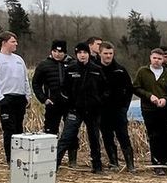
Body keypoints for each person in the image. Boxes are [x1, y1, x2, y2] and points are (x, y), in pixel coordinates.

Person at [133, 46, 167, 174]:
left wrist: (166, 99)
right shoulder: (143, 72)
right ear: (150, 58)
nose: (157, 61)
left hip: (164, 109)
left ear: (163, 59)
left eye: (159, 58)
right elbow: (136, 88)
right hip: (148, 109)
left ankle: (165, 161)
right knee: (153, 135)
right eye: (154, 58)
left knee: (165, 135)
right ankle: (156, 162)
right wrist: (149, 96)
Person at [0, 32, 29, 164]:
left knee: (19, 129)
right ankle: (11, 159)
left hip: (19, 97)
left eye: (15, 42)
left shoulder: (19, 59)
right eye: (13, 41)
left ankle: (20, 157)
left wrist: (28, 96)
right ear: (4, 43)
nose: (16, 44)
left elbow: (25, 79)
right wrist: (0, 98)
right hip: (5, 98)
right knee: (9, 129)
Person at [59, 43, 103, 171]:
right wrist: (70, 102)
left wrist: (98, 101)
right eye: (79, 53)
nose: (82, 55)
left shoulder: (96, 69)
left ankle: (97, 166)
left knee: (94, 138)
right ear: (76, 54)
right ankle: (54, 164)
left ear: (89, 54)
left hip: (92, 111)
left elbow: (104, 89)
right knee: (66, 137)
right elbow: (63, 89)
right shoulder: (70, 69)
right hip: (75, 110)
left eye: (85, 53)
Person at [95, 42, 135, 172]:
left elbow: (129, 89)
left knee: (123, 136)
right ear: (100, 53)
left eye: (110, 53)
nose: (108, 56)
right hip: (102, 110)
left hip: (118, 110)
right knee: (107, 136)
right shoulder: (94, 69)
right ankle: (113, 162)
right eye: (105, 53)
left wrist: (125, 107)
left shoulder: (120, 70)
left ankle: (130, 165)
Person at [31, 41, 74, 158]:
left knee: (70, 131)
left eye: (60, 52)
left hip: (69, 104)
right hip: (52, 103)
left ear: (64, 52)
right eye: (55, 51)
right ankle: (48, 156)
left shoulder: (72, 63)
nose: (57, 54)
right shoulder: (44, 65)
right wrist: (43, 99)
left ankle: (72, 158)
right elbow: (36, 84)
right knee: (50, 131)